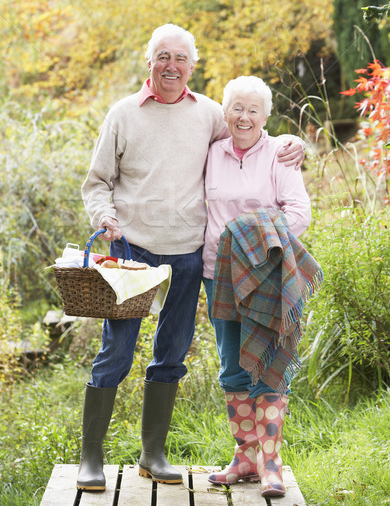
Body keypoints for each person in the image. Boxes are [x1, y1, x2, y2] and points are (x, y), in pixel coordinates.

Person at [78, 25, 305, 491]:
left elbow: (251, 131)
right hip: (131, 251)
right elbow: (97, 181)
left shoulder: (209, 114)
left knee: (171, 356)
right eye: (162, 56)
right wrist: (105, 216)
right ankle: (91, 459)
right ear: (149, 62)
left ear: (192, 67)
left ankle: (152, 455)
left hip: (187, 254)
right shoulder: (122, 115)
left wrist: (292, 144)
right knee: (115, 354)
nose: (171, 66)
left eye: (180, 58)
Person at [202, 76, 322, 497]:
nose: (244, 116)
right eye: (237, 107)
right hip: (218, 275)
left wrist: (258, 243)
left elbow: (299, 212)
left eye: (253, 109)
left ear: (267, 117)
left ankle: (271, 464)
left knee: (267, 365)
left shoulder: (279, 154)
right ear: (225, 112)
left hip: (268, 275)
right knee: (232, 366)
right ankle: (245, 457)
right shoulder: (211, 153)